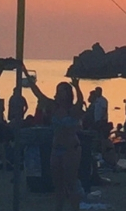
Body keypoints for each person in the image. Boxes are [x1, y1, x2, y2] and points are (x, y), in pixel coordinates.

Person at [25, 67, 85, 211]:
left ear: (67, 94)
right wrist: (26, 74)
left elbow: (80, 101)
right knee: (57, 186)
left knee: (71, 184)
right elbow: (37, 93)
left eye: (62, 91)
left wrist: (77, 87)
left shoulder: (73, 110)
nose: (58, 93)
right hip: (56, 149)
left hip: (71, 149)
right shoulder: (52, 106)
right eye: (58, 90)